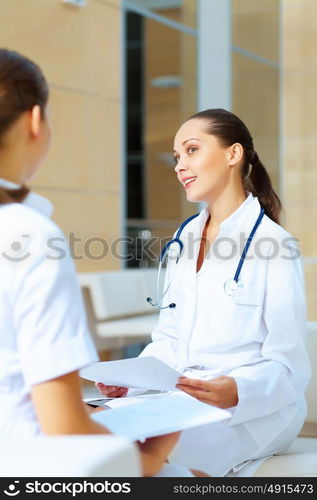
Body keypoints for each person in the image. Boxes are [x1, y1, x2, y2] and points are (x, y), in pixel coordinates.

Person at [97, 108, 312, 477]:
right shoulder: (184, 239)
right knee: (91, 426)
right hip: (183, 399)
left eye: (192, 150)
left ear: (233, 154)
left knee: (140, 454)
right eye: (178, 156)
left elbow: (289, 365)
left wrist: (238, 391)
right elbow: (169, 337)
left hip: (253, 411)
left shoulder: (274, 245)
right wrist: (131, 382)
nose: (180, 165)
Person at [0, 48, 180, 477]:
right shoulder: (29, 236)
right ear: (36, 121)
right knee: (196, 480)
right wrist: (150, 461)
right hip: (30, 465)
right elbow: (64, 431)